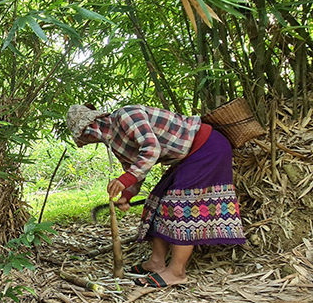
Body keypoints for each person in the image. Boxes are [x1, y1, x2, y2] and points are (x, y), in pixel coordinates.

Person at [66, 103, 245, 288]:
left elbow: (151, 148)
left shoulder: (126, 115)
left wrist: (124, 179)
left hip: (207, 147)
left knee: (180, 206)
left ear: (94, 123)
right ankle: (157, 263)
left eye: (86, 134)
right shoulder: (115, 145)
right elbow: (136, 172)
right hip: (186, 158)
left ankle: (177, 272)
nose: (89, 139)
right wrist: (127, 195)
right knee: (156, 201)